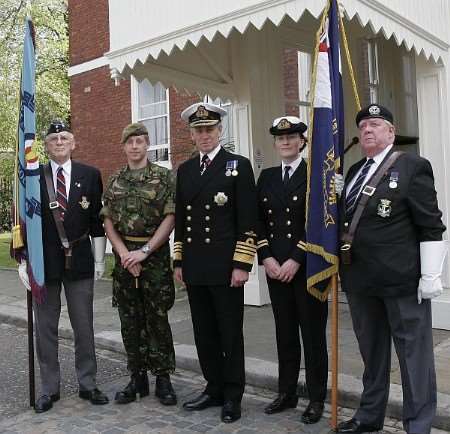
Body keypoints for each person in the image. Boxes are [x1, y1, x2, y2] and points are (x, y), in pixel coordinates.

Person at [337, 104, 447, 434]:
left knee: (414, 358)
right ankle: (370, 415)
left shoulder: (412, 166)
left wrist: (431, 275)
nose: (368, 129)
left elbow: (431, 224)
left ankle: (418, 424)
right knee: (372, 355)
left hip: (401, 281)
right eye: (363, 125)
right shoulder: (354, 171)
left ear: (391, 132)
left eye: (376, 124)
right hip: (361, 280)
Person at [173, 102, 258, 423]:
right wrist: (178, 260)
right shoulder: (186, 170)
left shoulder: (237, 165)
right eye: (199, 131)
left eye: (210, 129)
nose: (205, 135)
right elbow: (181, 218)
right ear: (192, 135)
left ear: (220, 130)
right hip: (195, 265)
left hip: (226, 267)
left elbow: (247, 219)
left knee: (229, 333)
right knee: (203, 332)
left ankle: (233, 395)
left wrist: (242, 264)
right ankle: (213, 387)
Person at [27, 120, 109, 413]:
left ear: (74, 143)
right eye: (53, 139)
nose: (59, 142)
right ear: (46, 146)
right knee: (45, 329)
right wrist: (25, 261)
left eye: (64, 137)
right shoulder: (34, 176)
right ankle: (50, 388)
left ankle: (88, 383)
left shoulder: (90, 174)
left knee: (83, 325)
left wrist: (100, 259)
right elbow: (24, 222)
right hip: (44, 262)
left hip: (81, 259)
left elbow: (98, 220)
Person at [256, 116, 328, 424]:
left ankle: (316, 397)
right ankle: (287, 392)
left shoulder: (316, 175)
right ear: (275, 142)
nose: (285, 142)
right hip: (275, 268)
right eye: (280, 138)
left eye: (292, 137)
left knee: (312, 336)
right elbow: (256, 220)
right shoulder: (267, 177)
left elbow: (322, 223)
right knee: (284, 333)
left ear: (302, 141)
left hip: (307, 267)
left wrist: (296, 258)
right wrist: (267, 258)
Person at [101, 123, 177, 406]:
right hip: (124, 260)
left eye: (140, 141)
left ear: (148, 145)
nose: (135, 146)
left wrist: (144, 252)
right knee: (129, 321)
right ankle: (137, 377)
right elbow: (107, 219)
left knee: (157, 318)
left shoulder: (164, 177)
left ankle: (164, 379)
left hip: (153, 257)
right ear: (124, 146)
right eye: (130, 142)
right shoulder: (115, 179)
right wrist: (123, 254)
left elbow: (171, 217)